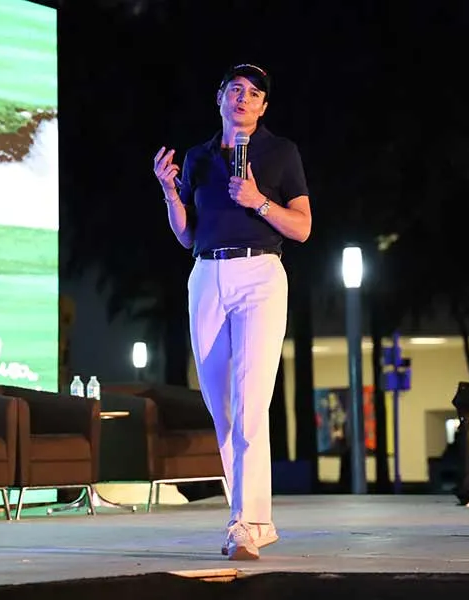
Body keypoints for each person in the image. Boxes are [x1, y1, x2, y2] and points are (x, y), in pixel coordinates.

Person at [152, 64, 312, 560]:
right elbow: (186, 236)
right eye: (236, 90)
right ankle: (248, 520)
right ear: (219, 97)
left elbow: (303, 227)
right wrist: (169, 192)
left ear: (263, 108)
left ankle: (249, 521)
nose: (244, 98)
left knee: (250, 400)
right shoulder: (199, 157)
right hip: (206, 274)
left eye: (254, 93)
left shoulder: (281, 152)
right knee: (220, 406)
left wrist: (259, 201)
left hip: (261, 274)